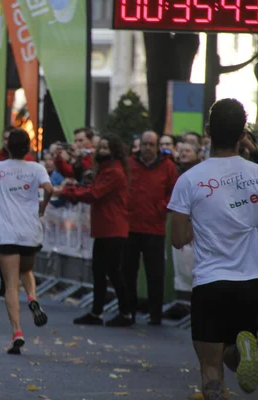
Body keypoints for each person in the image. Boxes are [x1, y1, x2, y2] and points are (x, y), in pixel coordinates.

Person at [168, 98, 258, 399]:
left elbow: (178, 238)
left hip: (211, 284)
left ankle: (234, 357)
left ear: (208, 131)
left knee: (210, 370)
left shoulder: (189, 179)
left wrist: (203, 223)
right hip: (252, 283)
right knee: (238, 344)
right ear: (242, 135)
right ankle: (242, 352)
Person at [0, 128, 53, 355]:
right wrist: (43, 206)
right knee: (27, 270)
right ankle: (32, 297)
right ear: (28, 148)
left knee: (11, 284)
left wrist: (0, 209)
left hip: (6, 233)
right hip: (30, 231)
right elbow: (49, 188)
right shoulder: (36, 168)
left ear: (7, 148)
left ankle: (17, 332)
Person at [57, 134, 134, 327]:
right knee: (100, 271)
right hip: (106, 228)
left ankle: (124, 312)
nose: (101, 151)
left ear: (114, 151)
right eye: (100, 147)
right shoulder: (107, 170)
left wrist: (66, 192)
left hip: (113, 228)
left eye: (105, 148)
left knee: (112, 272)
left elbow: (94, 193)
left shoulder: (113, 172)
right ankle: (98, 312)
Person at [124, 130, 178, 325]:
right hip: (130, 226)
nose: (147, 148)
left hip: (155, 227)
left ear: (157, 147)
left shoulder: (168, 167)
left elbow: (174, 192)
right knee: (128, 272)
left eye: (151, 145)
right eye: (144, 144)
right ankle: (128, 312)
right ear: (140, 145)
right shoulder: (129, 164)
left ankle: (156, 314)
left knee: (155, 273)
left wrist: (161, 208)